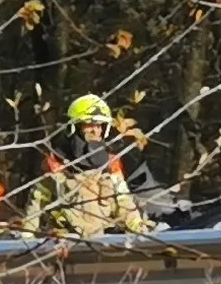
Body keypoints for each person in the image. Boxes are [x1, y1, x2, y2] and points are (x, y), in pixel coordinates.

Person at [28, 95, 152, 238]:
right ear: (75, 127)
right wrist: (27, 239)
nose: (95, 131)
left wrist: (138, 229)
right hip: (64, 240)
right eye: (90, 125)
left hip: (102, 241)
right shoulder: (56, 161)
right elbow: (36, 204)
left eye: (99, 125)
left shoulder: (110, 163)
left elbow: (123, 201)